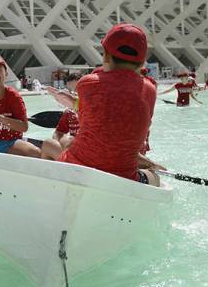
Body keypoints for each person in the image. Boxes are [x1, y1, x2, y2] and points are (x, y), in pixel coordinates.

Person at [57, 23, 162, 186]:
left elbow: (88, 126)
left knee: (67, 143)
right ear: (142, 64)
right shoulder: (150, 90)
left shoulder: (86, 84)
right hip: (122, 176)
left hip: (78, 165)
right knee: (155, 178)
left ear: (105, 56)